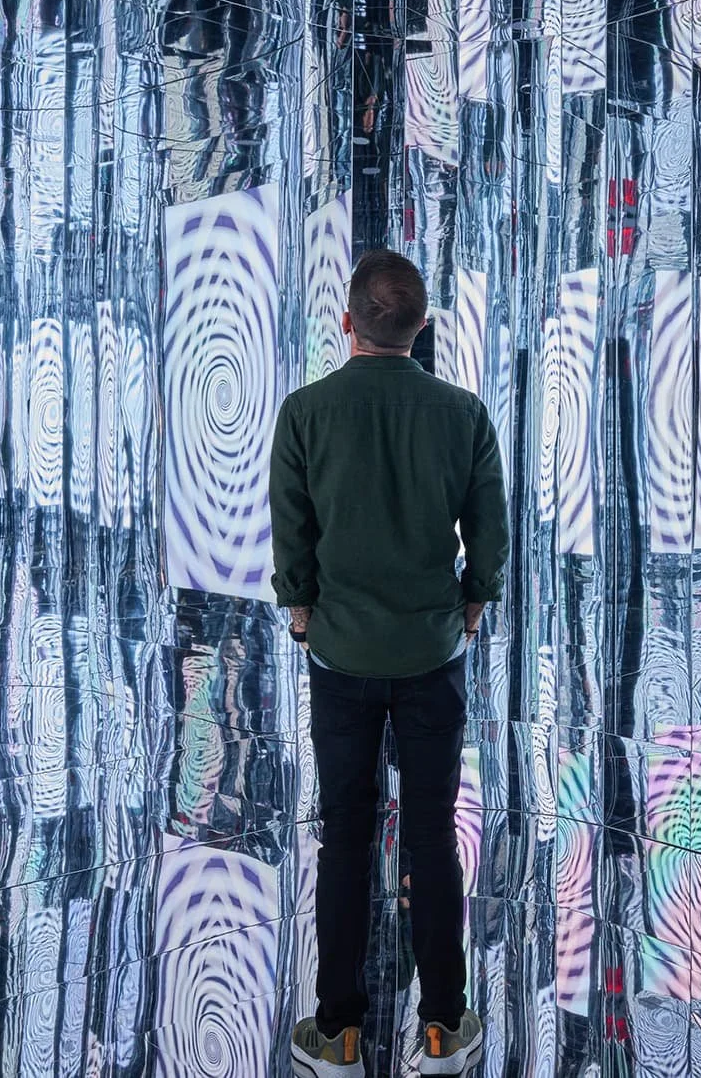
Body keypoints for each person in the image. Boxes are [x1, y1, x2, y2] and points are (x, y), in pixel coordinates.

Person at [273, 250, 508, 1078]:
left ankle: (337, 1032)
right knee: (432, 831)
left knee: (345, 832)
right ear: (423, 325)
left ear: (347, 323)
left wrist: (301, 607)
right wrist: (473, 598)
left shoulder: (305, 412)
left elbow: (291, 530)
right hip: (431, 654)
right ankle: (442, 1027)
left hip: (339, 653)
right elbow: (489, 529)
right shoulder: (464, 413)